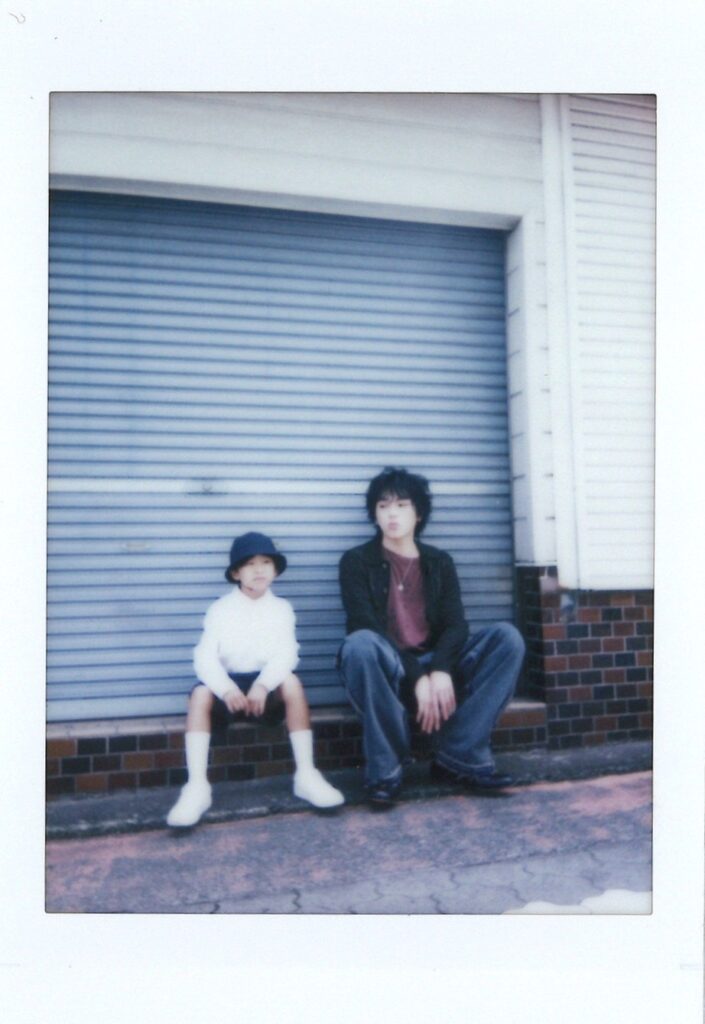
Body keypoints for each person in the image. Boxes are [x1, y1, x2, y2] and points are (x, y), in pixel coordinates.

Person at [338, 467, 525, 809]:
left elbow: (456, 625)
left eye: (402, 505)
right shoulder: (356, 562)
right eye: (383, 506)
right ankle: (386, 771)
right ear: (374, 513)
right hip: (391, 669)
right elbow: (364, 624)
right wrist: (417, 675)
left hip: (436, 666)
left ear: (419, 513)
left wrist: (439, 669)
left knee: (507, 638)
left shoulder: (439, 562)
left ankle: (460, 757)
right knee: (360, 644)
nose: (392, 514)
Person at [167, 531, 344, 827]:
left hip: (265, 691)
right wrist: (226, 689)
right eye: (249, 564)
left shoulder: (282, 609)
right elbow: (204, 657)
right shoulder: (220, 610)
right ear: (236, 573)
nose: (259, 570)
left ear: (275, 570)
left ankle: (306, 775)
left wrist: (263, 685)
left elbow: (287, 654)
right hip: (229, 692)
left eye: (266, 563)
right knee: (199, 694)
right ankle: (196, 787)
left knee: (292, 683)